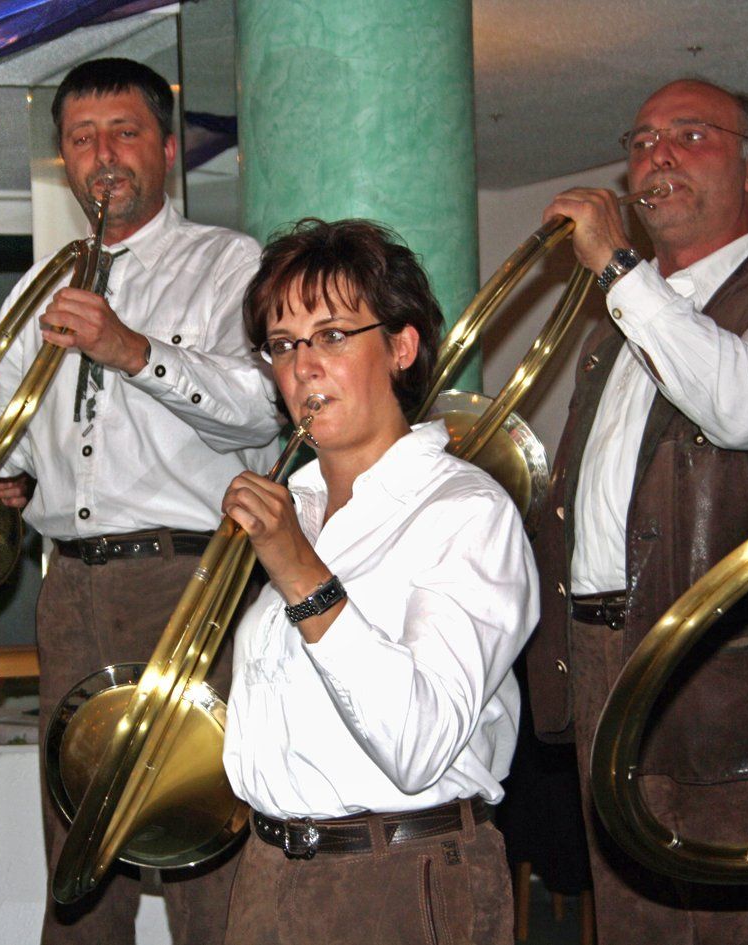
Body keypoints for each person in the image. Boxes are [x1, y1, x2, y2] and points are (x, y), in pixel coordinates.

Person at [526, 79, 748, 945]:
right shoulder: (624, 323)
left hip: (728, 675)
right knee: (633, 923)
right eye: (642, 140)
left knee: (737, 929)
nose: (656, 154)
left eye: (691, 135)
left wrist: (619, 271)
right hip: (604, 654)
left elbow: (738, 405)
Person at [0, 58, 281, 944]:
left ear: (168, 148)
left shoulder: (228, 262)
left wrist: (131, 349)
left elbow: (259, 411)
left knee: (203, 839)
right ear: (63, 161)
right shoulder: (40, 284)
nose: (102, 155)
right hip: (68, 587)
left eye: (123, 132)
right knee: (78, 852)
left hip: (187, 580)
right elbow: (4, 426)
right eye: (81, 139)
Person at [220, 218, 539, 944]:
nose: (303, 366)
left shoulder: (466, 511)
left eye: (332, 335)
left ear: (401, 347)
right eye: (282, 344)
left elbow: (419, 743)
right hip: (269, 876)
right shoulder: (296, 504)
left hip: (399, 880)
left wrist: (299, 571)